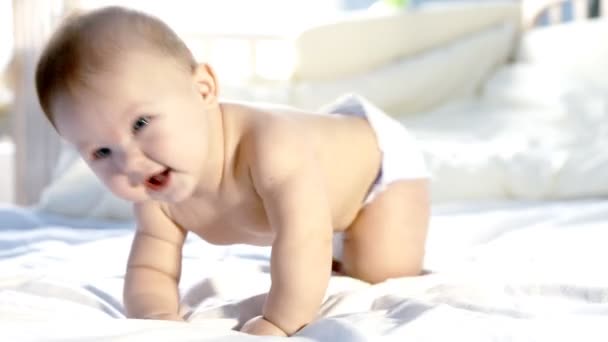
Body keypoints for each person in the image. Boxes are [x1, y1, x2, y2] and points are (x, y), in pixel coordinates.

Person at [35, 6, 430, 337]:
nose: (130, 162)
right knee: (312, 255)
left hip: (376, 162)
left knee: (378, 272)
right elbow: (150, 267)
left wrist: (278, 322)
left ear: (204, 89)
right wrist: (157, 319)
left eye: (141, 124)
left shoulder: (268, 147)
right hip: (316, 174)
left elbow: (305, 237)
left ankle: (357, 244)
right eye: (101, 152)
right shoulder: (157, 191)